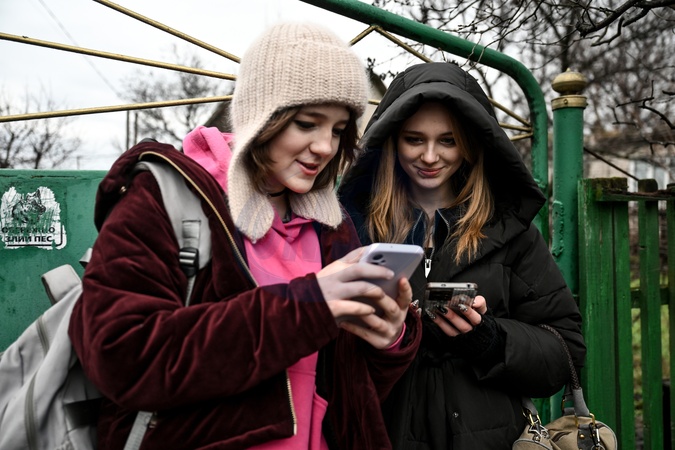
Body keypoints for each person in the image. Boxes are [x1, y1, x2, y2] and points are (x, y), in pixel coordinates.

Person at [68, 22, 422, 450]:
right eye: (307, 123)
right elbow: (121, 357)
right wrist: (306, 307)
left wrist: (390, 339)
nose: (326, 147)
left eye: (337, 129)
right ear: (261, 115)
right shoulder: (165, 197)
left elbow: (350, 392)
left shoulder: (332, 225)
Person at [338, 61, 586, 449]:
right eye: (414, 139)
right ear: (391, 139)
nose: (430, 156)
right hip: (380, 433)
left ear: (470, 143)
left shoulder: (512, 233)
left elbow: (564, 351)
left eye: (448, 140)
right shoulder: (352, 229)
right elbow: (321, 352)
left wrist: (491, 340)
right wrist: (384, 332)